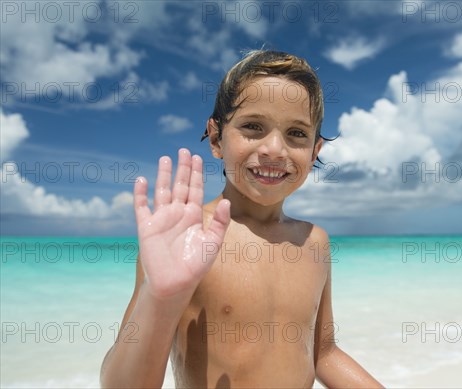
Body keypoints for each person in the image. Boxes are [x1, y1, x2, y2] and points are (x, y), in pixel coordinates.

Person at [100, 50, 383, 388]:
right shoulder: (189, 239)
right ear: (217, 138)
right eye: (253, 127)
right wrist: (158, 296)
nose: (275, 149)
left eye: (296, 133)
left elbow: (323, 352)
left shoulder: (313, 241)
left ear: (315, 151)